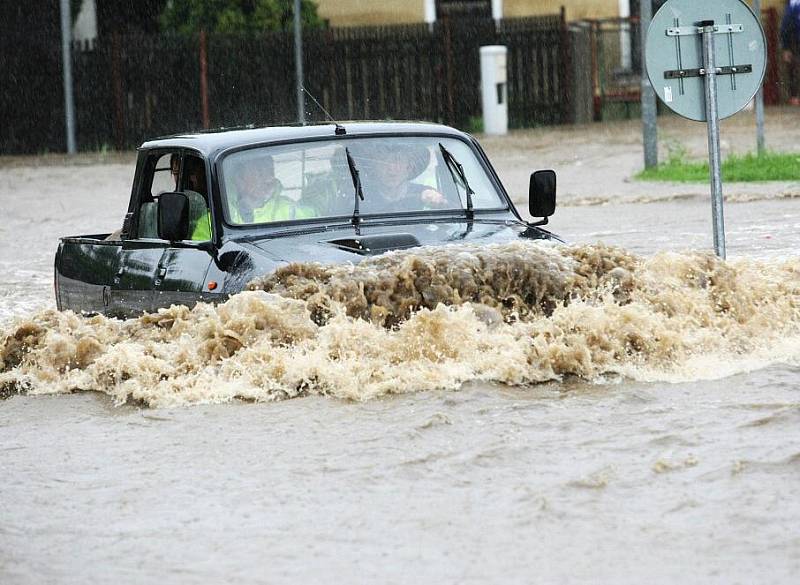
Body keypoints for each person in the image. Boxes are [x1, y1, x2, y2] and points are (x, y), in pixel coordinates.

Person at [226, 154, 316, 223]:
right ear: (239, 178)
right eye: (260, 173)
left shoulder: (290, 210)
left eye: (271, 171)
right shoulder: (218, 211)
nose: (270, 178)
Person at [361, 143, 450, 213]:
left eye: (398, 160)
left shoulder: (425, 193)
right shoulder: (361, 197)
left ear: (409, 167)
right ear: (374, 166)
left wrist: (436, 202)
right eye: (384, 160)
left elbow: (451, 217)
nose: (392, 168)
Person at [782, 0, 800, 106]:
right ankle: (794, 97)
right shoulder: (793, 4)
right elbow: (786, 26)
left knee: (794, 69)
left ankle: (794, 97)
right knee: (794, 69)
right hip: (795, 42)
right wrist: (786, 47)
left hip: (794, 41)